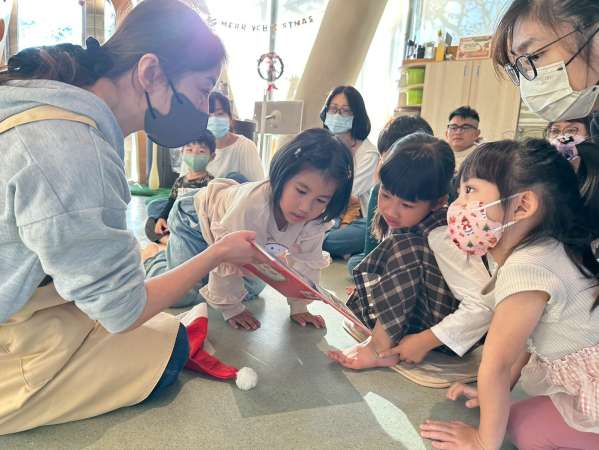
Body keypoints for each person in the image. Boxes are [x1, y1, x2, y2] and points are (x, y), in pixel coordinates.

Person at [0, 0, 258, 435]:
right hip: (14, 323)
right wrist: (216, 254)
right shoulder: (71, 147)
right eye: (202, 90)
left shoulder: (42, 102)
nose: (203, 109)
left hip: (26, 296)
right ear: (151, 72)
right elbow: (123, 311)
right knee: (169, 349)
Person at [420, 139, 599, 450]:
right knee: (516, 418)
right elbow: (526, 344)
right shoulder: (547, 249)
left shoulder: (527, 266)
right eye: (459, 192)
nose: (457, 205)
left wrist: (482, 441)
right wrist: (492, 392)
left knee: (521, 429)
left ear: (523, 205)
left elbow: (497, 363)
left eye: (470, 190)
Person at [147, 128, 354, 328]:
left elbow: (307, 263)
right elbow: (228, 255)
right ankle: (156, 259)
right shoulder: (252, 206)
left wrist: (299, 307)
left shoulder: (315, 219)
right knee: (182, 295)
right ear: (281, 177)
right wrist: (231, 309)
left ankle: (186, 260)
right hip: (193, 219)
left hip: (230, 224)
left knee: (250, 291)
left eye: (321, 200)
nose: (305, 207)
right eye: (301, 191)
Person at [327, 133, 461, 369]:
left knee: (404, 247)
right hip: (420, 318)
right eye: (386, 195)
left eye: (407, 205)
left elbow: (477, 307)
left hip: (447, 332)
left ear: (439, 202)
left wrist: (425, 341)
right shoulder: (405, 218)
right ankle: (381, 335)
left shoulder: (444, 233)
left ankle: (379, 347)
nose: (391, 210)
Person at [347, 115, 435, 274]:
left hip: (414, 264)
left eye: (407, 204)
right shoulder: (379, 190)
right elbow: (372, 252)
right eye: (384, 159)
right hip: (386, 248)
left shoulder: (432, 193)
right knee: (355, 264)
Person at [320, 86, 379, 260]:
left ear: (356, 116)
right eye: (333, 109)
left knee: (365, 233)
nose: (337, 115)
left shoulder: (368, 153)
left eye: (345, 111)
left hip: (357, 219)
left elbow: (346, 194)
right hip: (327, 213)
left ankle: (316, 241)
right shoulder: (324, 145)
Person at [145, 132, 215, 243]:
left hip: (194, 227)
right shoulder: (180, 181)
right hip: (175, 222)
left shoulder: (211, 183)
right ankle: (169, 241)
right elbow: (171, 202)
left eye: (201, 151)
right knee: (151, 224)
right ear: (182, 153)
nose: (194, 155)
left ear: (212, 156)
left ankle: (175, 241)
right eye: (189, 150)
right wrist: (162, 218)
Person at [205, 91, 264, 182]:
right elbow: (185, 185)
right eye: (208, 116)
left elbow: (258, 187)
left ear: (230, 118)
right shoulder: (194, 148)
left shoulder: (245, 146)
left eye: (220, 114)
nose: (214, 119)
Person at [445, 106, 481, 170]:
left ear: (476, 134)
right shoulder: (437, 154)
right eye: (454, 127)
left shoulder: (481, 157)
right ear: (446, 133)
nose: (458, 132)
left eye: (465, 127)